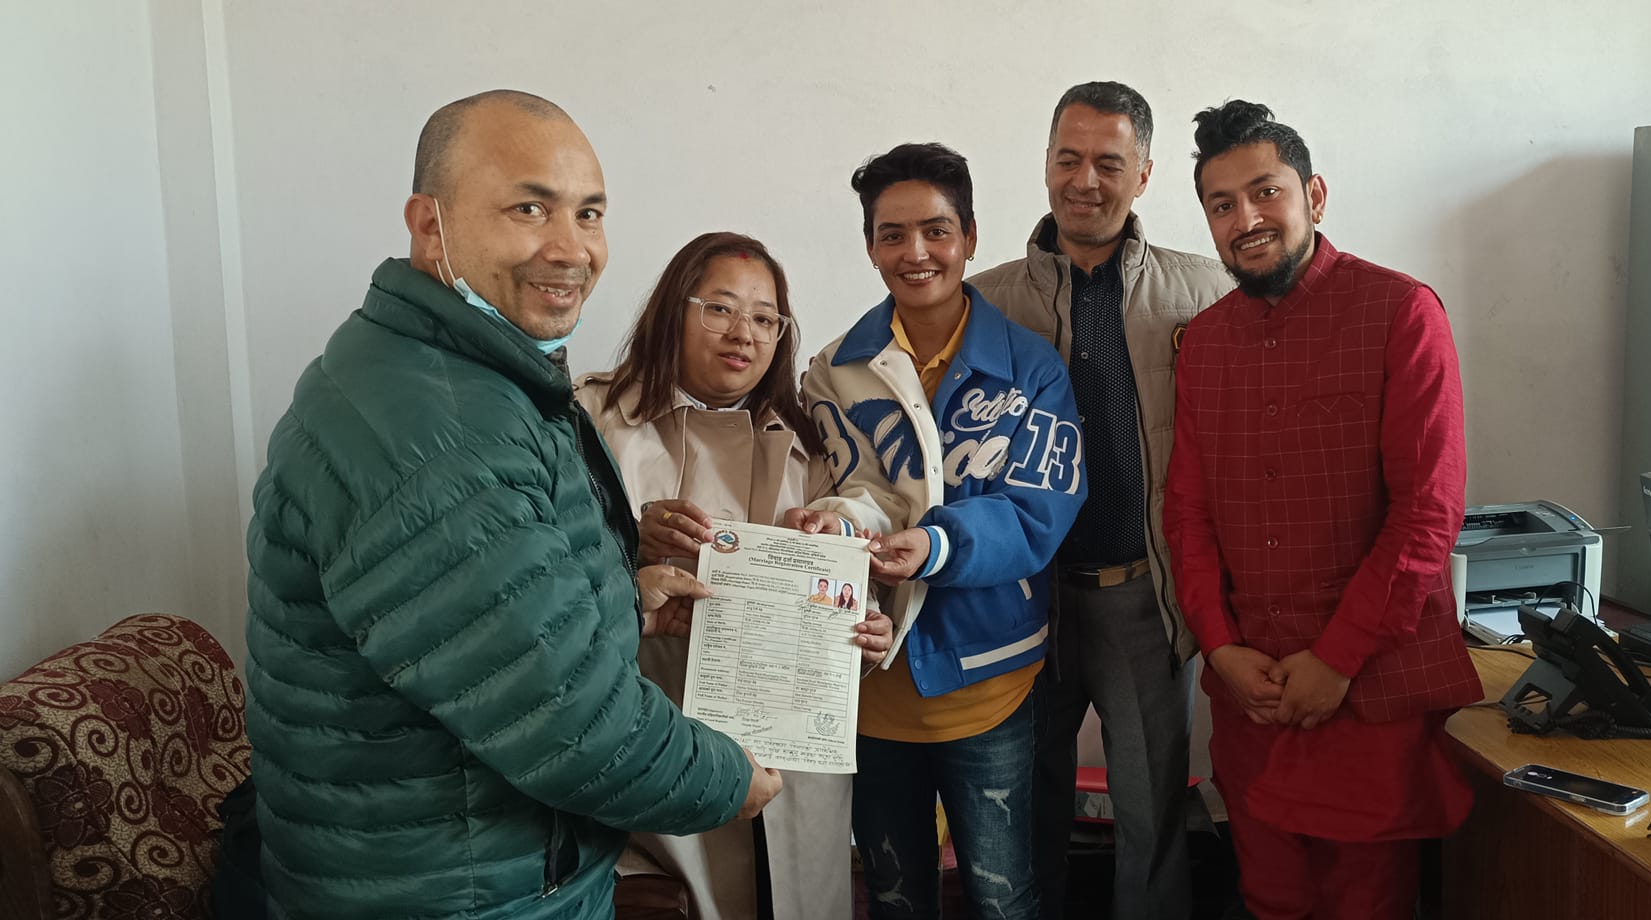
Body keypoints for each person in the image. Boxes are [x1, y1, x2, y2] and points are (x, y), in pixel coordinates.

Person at [243, 90, 780, 920]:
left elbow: (488, 625)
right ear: (430, 225)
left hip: (468, 862)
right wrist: (729, 779)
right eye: (529, 209)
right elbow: (565, 719)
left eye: (589, 213)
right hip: (463, 888)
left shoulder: (465, 374)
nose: (571, 249)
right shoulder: (435, 431)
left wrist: (623, 603)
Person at [1163, 100, 1483, 918]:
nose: (1245, 219)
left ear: (1314, 194)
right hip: (1252, 697)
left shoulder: (1400, 312)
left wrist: (1337, 659)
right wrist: (1219, 648)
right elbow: (1188, 514)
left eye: (1265, 192)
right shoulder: (1204, 343)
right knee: (1268, 899)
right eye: (1222, 205)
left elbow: (1427, 513)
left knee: (1366, 904)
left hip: (1366, 694)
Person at [790, 142, 1087, 920]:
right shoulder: (832, 370)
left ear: (971, 237)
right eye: (892, 235)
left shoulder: (1032, 369)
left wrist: (937, 544)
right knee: (894, 897)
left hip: (991, 684)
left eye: (936, 230)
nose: (915, 253)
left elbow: (1039, 511)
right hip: (871, 684)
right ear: (869, 247)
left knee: (1003, 898)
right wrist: (832, 524)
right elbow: (845, 488)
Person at [969, 80, 1234, 920]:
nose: (1085, 181)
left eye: (1109, 163)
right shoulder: (983, 302)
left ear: (1144, 175)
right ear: (1046, 163)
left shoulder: (1205, 292)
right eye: (1068, 159)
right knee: (1020, 806)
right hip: (1021, 601)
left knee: (1152, 812)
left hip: (1143, 598)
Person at [574, 231, 893, 920]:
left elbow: (850, 581)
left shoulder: (810, 442)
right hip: (649, 740)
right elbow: (533, 581)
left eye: (765, 318)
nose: (743, 333)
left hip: (793, 757)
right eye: (719, 308)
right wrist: (629, 544)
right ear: (673, 311)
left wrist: (865, 632)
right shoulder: (591, 421)